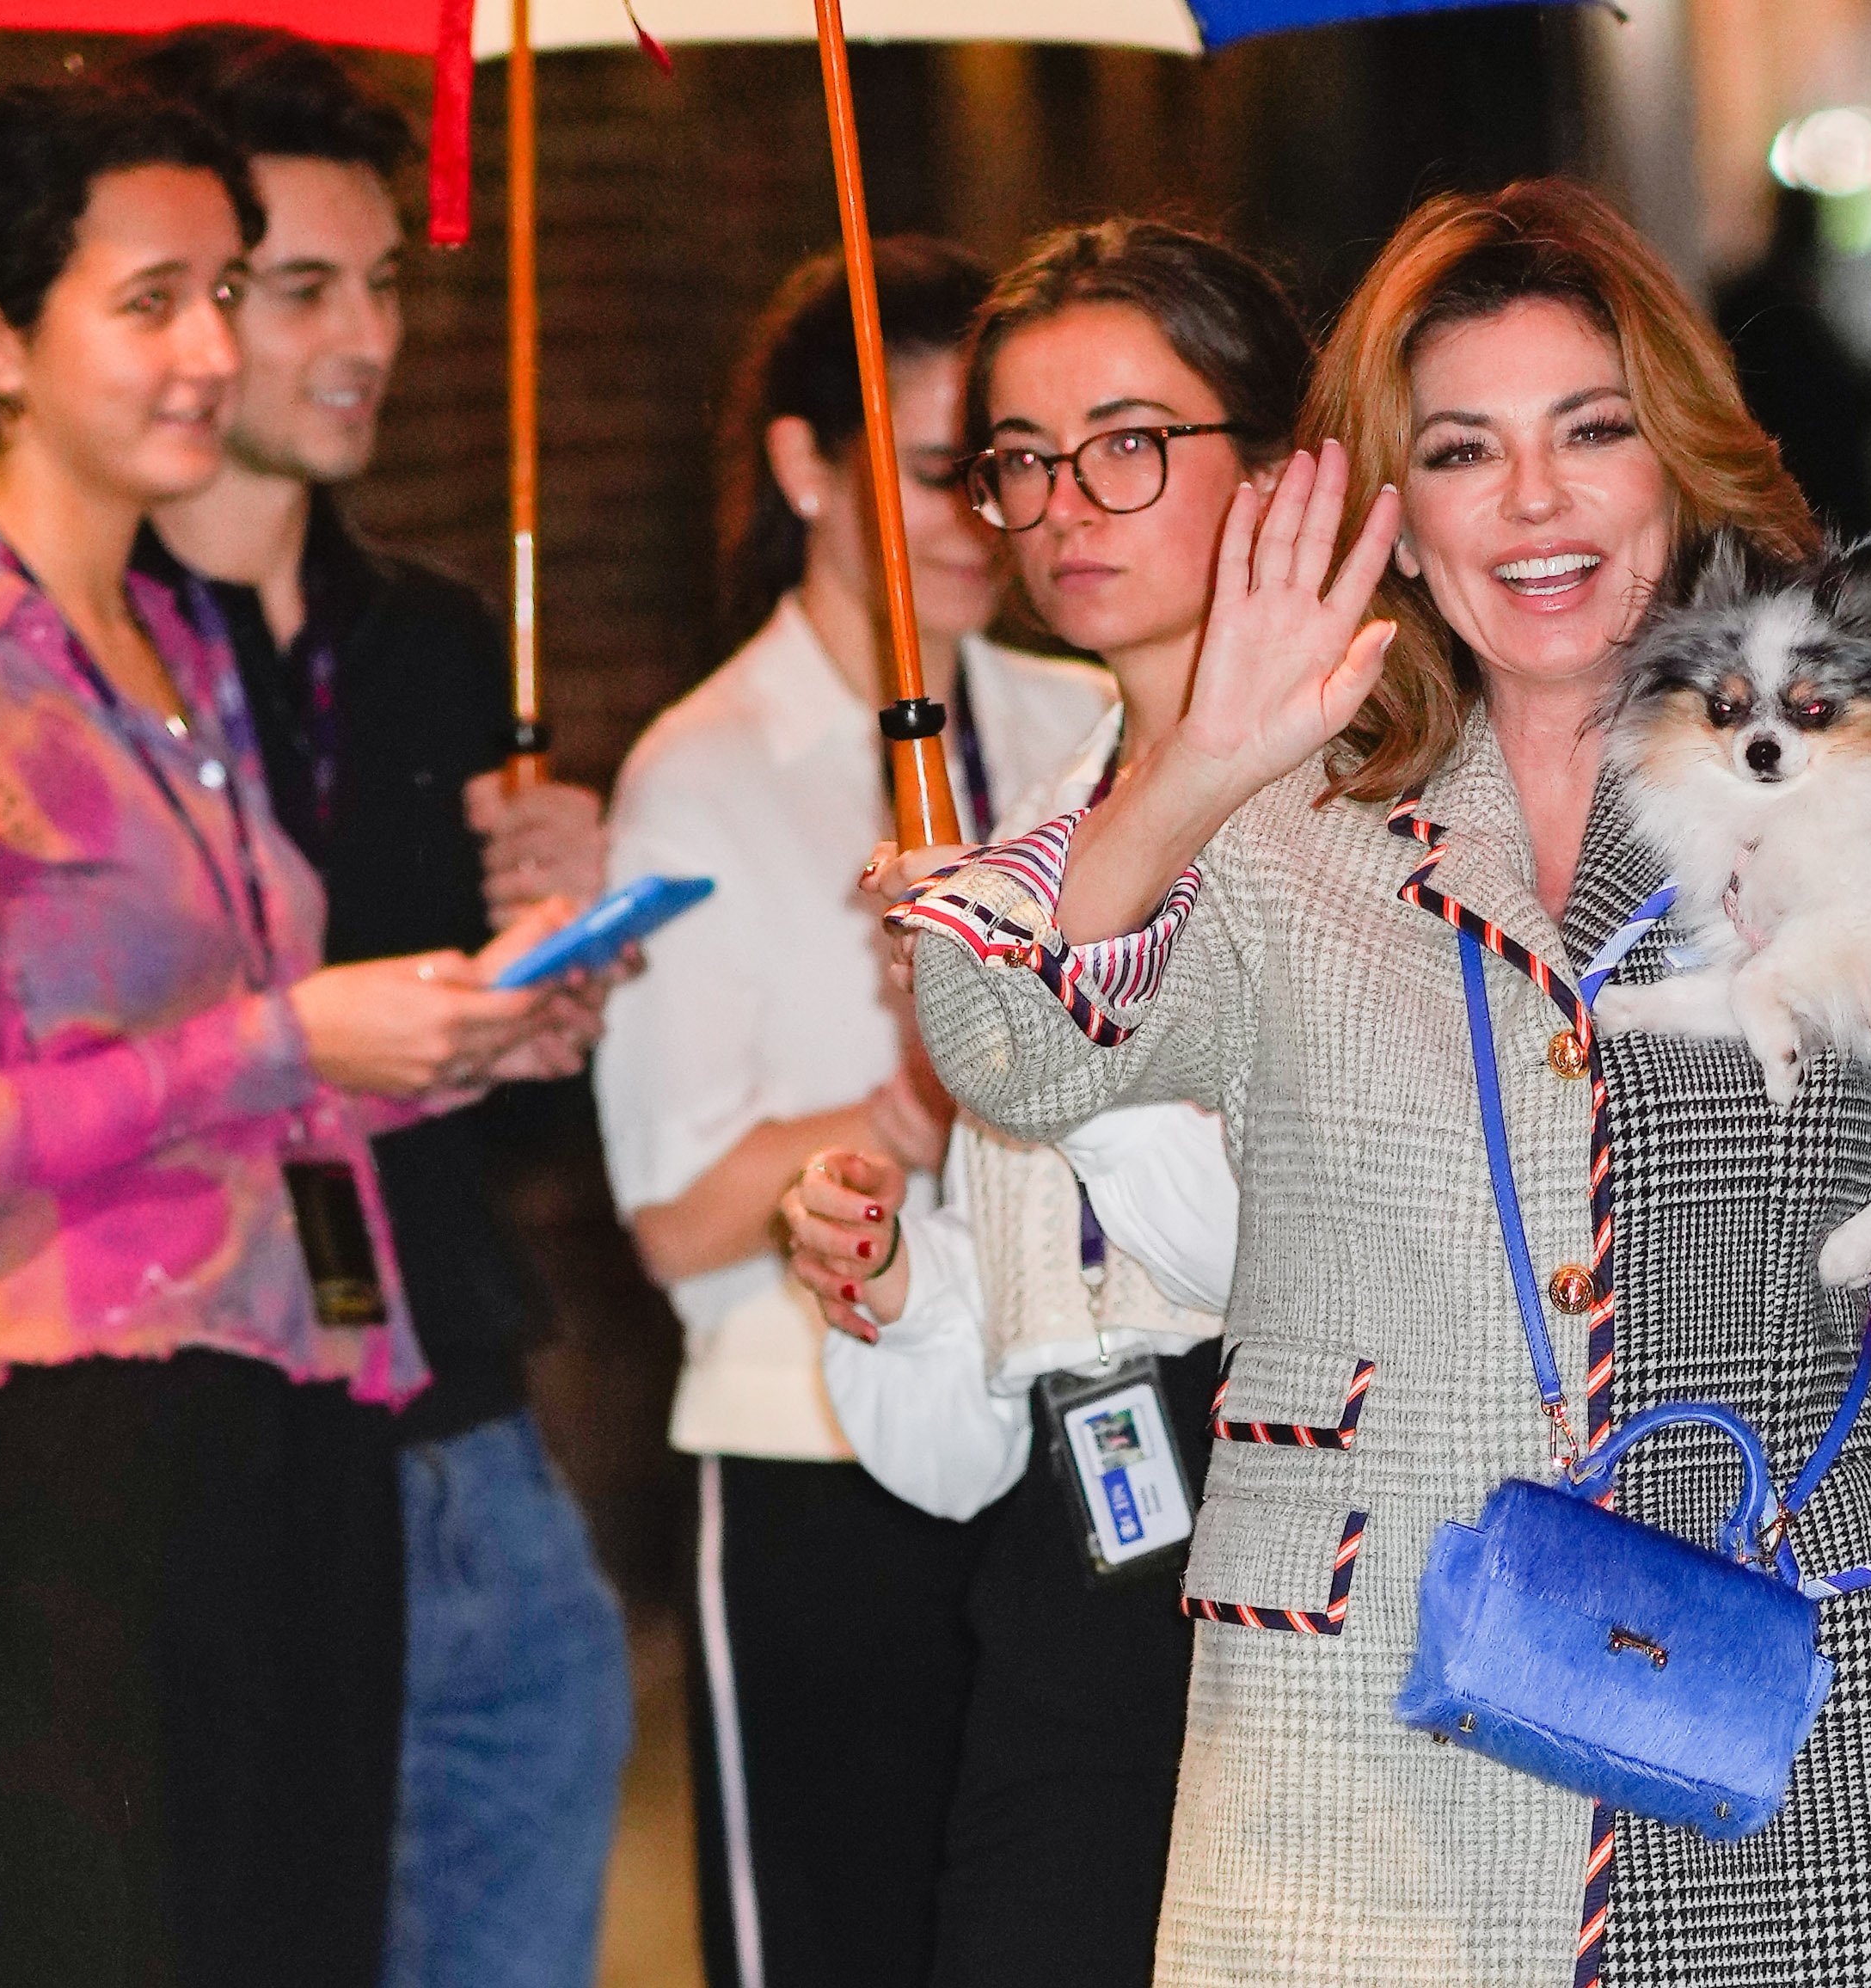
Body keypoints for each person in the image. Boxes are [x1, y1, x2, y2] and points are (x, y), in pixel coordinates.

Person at [885, 178, 1871, 1987]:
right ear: (1398, 505)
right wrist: (1193, 762)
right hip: (1367, 1729)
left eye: (1593, 433)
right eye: (1466, 451)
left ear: (1677, 462)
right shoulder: (1274, 816)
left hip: (1801, 1717)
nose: (1536, 503)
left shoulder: (1857, 774)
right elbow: (1004, 1038)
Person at [0, 78, 588, 1988]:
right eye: (152, 302)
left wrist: (472, 1034)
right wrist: (287, 1038)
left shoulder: (188, 652)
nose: (215, 351)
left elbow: (281, 1056)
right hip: (71, 1433)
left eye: (228, 292)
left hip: (317, 1416)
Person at [120, 28, 632, 1988]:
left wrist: (550, 982)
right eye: (300, 287)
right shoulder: (56, 660)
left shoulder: (429, 640)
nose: (367, 337)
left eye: (385, 283)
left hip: (469, 1442)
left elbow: (505, 1121)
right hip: (203, 1453)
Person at [591, 236, 1121, 1988]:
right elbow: (674, 1211)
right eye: (924, 472)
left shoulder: (1083, 716)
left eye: (1001, 464)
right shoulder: (704, 766)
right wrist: (921, 1086)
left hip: (1060, 1421)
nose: (979, 516)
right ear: (806, 468)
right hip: (814, 1444)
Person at [775, 216, 1294, 1988]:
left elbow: (1288, 1238)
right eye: (1020, 459)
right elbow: (969, 1440)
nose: (1067, 499)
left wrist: (1042, 1005)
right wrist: (901, 1284)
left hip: (1304, 1574)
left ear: (1282, 464)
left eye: (1132, 442)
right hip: (1072, 1593)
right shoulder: (1046, 814)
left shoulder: (1364, 805)